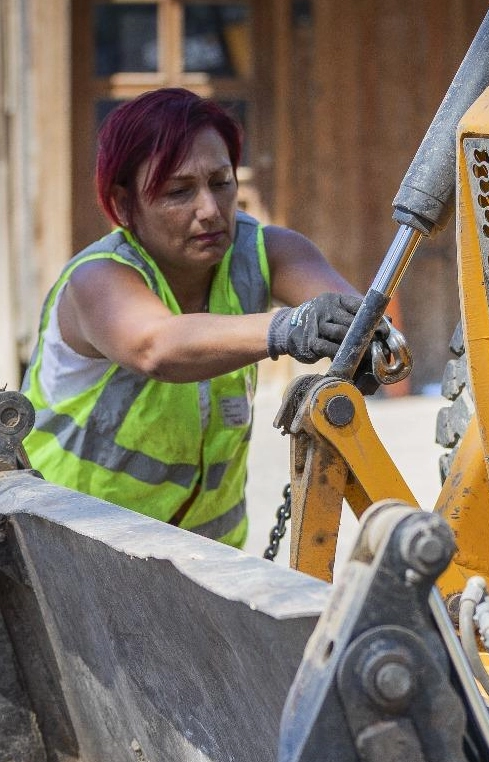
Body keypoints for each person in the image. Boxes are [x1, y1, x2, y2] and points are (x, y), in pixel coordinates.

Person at [23, 87, 380, 548]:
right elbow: (157, 346)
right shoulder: (98, 280)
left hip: (206, 565)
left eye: (221, 182)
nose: (209, 210)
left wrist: (367, 338)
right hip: (69, 551)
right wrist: (288, 326)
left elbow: (347, 311)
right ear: (124, 203)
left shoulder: (269, 252)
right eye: (178, 191)